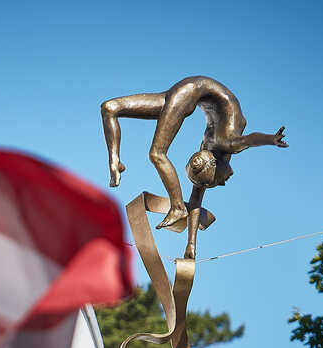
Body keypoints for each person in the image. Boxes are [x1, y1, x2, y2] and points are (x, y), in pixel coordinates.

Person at [100, 76, 288, 257]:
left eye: (215, 182)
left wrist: (190, 245)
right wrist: (271, 139)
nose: (222, 184)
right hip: (188, 91)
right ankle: (172, 203)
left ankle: (173, 204)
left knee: (116, 114)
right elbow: (251, 140)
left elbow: (197, 200)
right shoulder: (229, 143)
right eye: (216, 182)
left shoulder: (213, 153)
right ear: (212, 164)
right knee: (147, 144)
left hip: (185, 91)